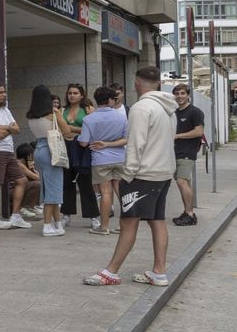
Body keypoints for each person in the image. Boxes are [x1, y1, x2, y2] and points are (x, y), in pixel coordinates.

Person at [84, 66, 178, 287]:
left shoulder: (140, 108)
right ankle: (159, 271)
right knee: (157, 221)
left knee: (128, 222)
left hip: (143, 173)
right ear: (158, 83)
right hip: (163, 172)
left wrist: (127, 175)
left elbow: (136, 145)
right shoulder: (168, 109)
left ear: (136, 82)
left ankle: (111, 272)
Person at [26, 86, 74, 237]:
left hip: (38, 150)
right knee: (53, 190)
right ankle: (47, 226)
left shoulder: (31, 116)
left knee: (48, 188)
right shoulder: (53, 114)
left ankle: (57, 224)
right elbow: (66, 132)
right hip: (51, 151)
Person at [80, 86, 128, 236]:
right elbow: (126, 139)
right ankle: (124, 225)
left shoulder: (89, 118)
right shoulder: (121, 116)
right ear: (109, 100)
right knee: (122, 193)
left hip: (100, 159)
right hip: (120, 157)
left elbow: (83, 142)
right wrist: (111, 143)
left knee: (105, 194)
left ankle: (104, 226)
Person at [0, 81, 31, 231]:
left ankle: (15, 216)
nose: (4, 95)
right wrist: (8, 128)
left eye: (4, 92)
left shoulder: (5, 110)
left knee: (22, 180)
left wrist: (7, 128)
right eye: (0, 92)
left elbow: (17, 129)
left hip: (9, 151)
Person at [60, 84, 99, 229]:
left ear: (82, 95)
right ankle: (66, 215)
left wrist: (73, 129)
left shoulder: (88, 110)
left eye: (75, 93)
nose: (72, 95)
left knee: (85, 182)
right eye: (69, 92)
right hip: (65, 146)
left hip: (82, 147)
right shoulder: (62, 110)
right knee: (66, 181)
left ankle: (93, 216)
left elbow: (93, 129)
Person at [172, 84, 205, 226]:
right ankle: (187, 212)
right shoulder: (174, 112)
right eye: (177, 94)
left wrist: (177, 136)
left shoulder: (195, 112)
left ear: (188, 95)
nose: (179, 96)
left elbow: (199, 132)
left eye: (182, 93)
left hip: (187, 152)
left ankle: (190, 215)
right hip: (174, 152)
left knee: (181, 182)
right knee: (184, 183)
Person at [14, 142, 43, 218]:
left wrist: (32, 168)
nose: (32, 158)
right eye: (31, 156)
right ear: (26, 156)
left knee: (36, 183)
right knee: (37, 184)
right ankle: (24, 208)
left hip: (18, 188)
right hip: (13, 190)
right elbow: (37, 177)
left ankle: (32, 206)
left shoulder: (22, 164)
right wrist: (32, 169)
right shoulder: (19, 164)